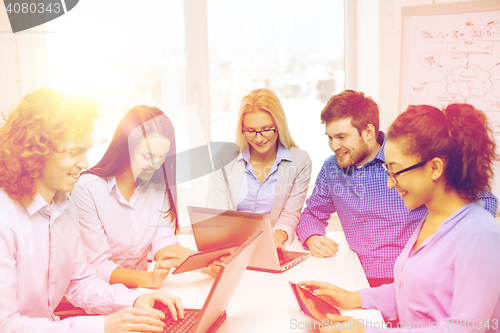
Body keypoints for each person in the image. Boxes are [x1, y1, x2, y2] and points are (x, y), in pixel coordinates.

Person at [298, 103, 500, 332]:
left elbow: (464, 329)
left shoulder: (480, 235)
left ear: (434, 168)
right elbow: (410, 289)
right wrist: (353, 298)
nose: (389, 183)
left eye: (396, 171)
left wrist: (367, 331)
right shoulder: (430, 218)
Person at [0, 89, 184, 332]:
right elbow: (5, 324)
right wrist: (103, 326)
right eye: (74, 152)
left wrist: (136, 300)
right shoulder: (6, 218)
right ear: (35, 152)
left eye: (86, 150)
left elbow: (80, 283)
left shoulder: (64, 207)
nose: (85, 163)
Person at [72, 105, 198, 289]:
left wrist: (206, 262)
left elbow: (163, 240)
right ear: (125, 148)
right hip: (100, 296)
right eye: (148, 156)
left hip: (142, 292)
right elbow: (98, 265)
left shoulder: (158, 186)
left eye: (162, 156)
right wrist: (149, 279)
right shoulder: (87, 189)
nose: (156, 165)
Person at [208, 88, 312, 249]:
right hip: (231, 245)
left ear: (279, 126)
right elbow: (217, 211)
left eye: (266, 129)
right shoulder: (224, 158)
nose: (258, 138)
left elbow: (290, 213)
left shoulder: (300, 161)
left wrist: (276, 239)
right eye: (250, 130)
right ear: (241, 128)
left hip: (273, 246)